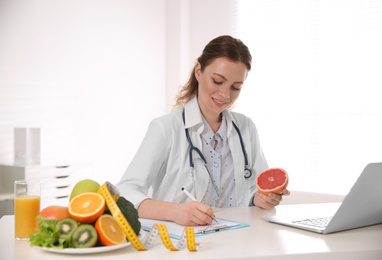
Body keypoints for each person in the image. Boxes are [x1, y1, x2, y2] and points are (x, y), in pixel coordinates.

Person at [116, 35, 289, 226]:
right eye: (217, 81)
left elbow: (254, 192)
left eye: (236, 87)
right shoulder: (166, 128)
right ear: (198, 71)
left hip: (239, 239)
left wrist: (261, 199)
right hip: (184, 244)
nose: (225, 94)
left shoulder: (246, 128)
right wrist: (175, 211)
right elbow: (124, 191)